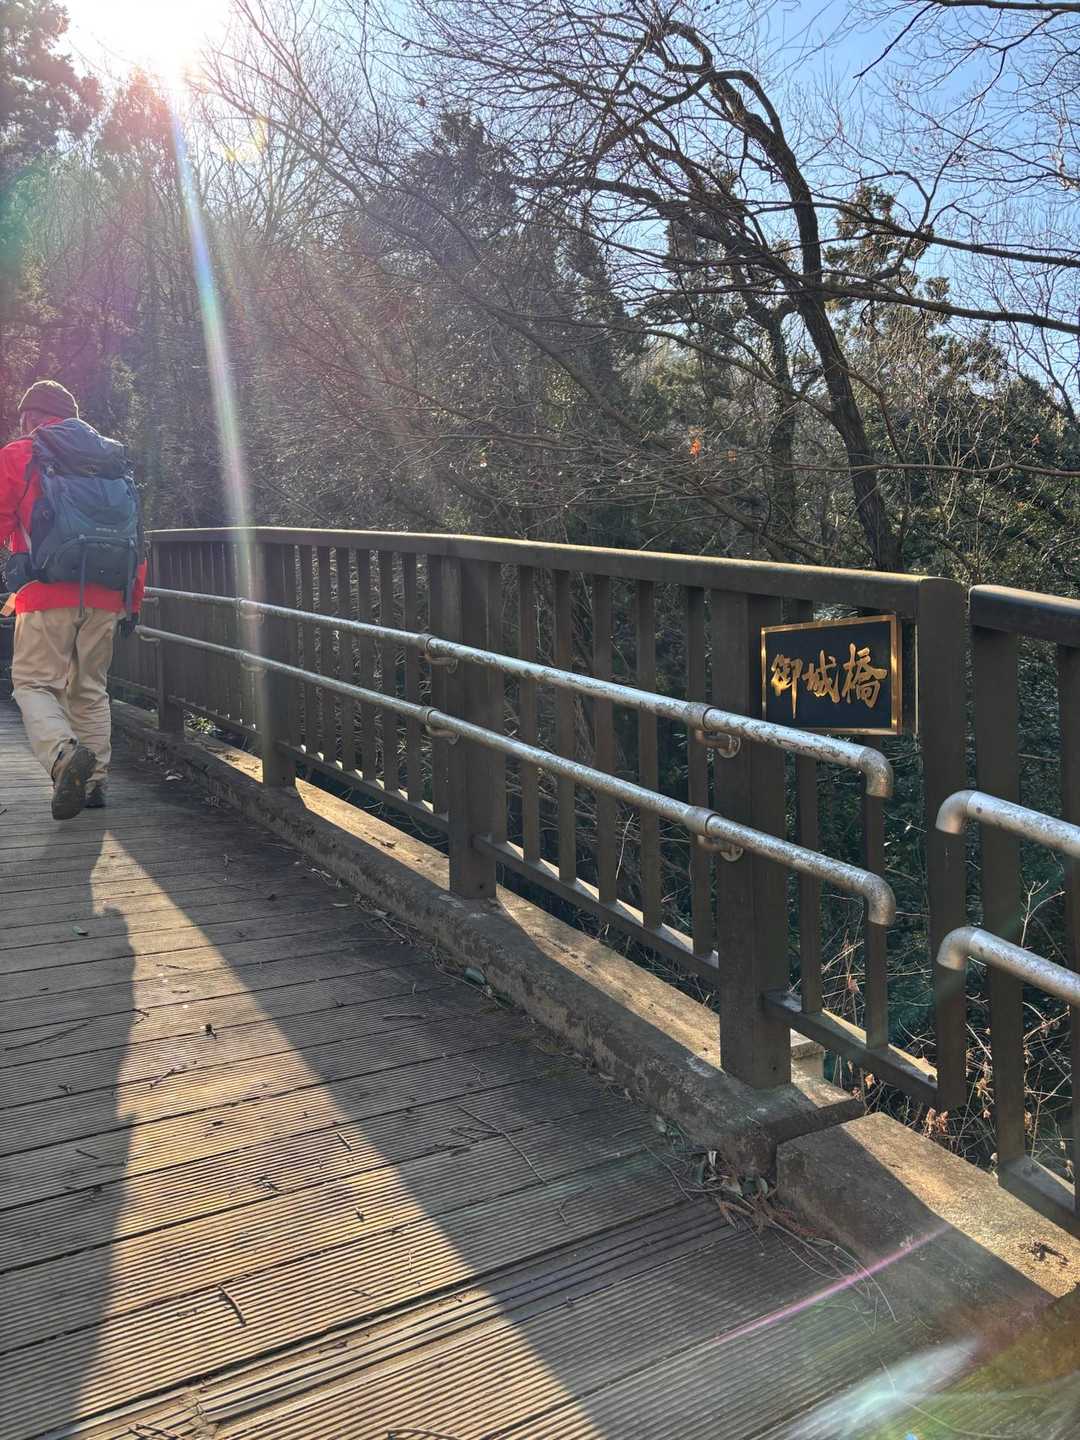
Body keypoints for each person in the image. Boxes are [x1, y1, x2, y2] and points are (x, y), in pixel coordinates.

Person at [0, 380, 145, 819]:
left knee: (33, 684)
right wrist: (132, 602)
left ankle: (63, 756)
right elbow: (137, 537)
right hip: (108, 593)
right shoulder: (113, 459)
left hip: (45, 591)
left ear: (31, 417)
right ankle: (95, 781)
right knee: (90, 689)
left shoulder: (21, 454)